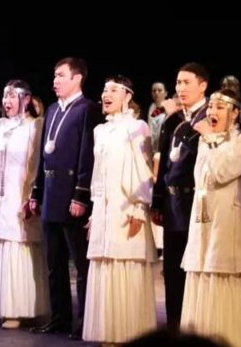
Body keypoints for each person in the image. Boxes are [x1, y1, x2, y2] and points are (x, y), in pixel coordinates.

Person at [180, 89, 241, 347]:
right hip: (203, 222)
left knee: (225, 279)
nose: (211, 112)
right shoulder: (206, 141)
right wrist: (209, 139)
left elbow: (222, 172)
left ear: (235, 113)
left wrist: (211, 139)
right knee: (203, 277)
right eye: (211, 107)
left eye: (219, 107)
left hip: (229, 224)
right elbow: (200, 180)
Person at [29, 57, 102, 339]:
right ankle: (59, 318)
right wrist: (37, 191)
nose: (55, 80)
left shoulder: (88, 109)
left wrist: (81, 195)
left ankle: (85, 321)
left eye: (61, 75)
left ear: (77, 78)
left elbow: (87, 154)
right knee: (54, 264)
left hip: (72, 196)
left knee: (81, 265)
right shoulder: (51, 109)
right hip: (51, 194)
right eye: (54, 75)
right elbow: (42, 155)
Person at [82, 75, 156, 344]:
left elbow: (144, 171)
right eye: (104, 90)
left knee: (125, 266)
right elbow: (98, 175)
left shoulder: (137, 127)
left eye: (113, 90)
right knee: (106, 266)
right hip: (104, 209)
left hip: (127, 210)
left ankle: (128, 333)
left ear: (127, 95)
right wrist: (94, 212)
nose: (106, 94)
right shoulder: (100, 130)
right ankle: (109, 331)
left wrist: (139, 210)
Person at [0, 80, 48, 329]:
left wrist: (31, 196)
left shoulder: (35, 126)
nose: (6, 102)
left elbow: (34, 164)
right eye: (4, 96)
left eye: (12, 97)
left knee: (16, 247)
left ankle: (19, 309)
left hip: (19, 195)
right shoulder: (1, 125)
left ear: (25, 99)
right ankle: (0, 306)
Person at [151, 62, 210, 330]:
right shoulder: (172, 120)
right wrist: (157, 201)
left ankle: (195, 325)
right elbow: (163, 162)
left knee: (193, 266)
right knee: (172, 268)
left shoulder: (210, 116)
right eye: (178, 83)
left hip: (196, 203)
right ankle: (174, 323)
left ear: (203, 86)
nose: (180, 88)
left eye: (187, 82)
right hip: (172, 204)